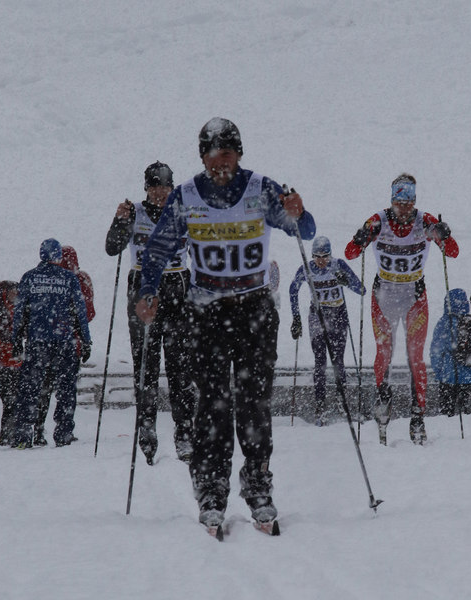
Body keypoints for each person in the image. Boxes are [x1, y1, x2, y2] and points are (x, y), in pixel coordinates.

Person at [136, 117, 316, 535]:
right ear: (202, 158)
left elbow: (304, 230)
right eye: (213, 157)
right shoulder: (186, 196)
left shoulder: (261, 189)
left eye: (228, 156)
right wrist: (147, 290)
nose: (220, 165)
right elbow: (158, 248)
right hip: (207, 313)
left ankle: (257, 485)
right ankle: (211, 489)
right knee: (213, 405)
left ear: (239, 155)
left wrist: (299, 211)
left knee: (254, 403)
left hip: (254, 310)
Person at [344, 173, 457, 445]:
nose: (403, 209)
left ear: (414, 201)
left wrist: (445, 234)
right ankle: (384, 399)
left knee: (415, 356)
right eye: (399, 203)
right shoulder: (377, 221)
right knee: (384, 352)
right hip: (384, 297)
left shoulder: (425, 221)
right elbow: (349, 254)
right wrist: (359, 239)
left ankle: (418, 416)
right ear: (392, 200)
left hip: (414, 297)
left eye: (408, 203)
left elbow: (452, 252)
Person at [105, 161, 196, 465]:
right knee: (145, 366)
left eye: (165, 186)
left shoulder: (182, 212)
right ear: (146, 188)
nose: (160, 192)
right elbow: (112, 248)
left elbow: (203, 249)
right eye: (155, 186)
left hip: (177, 286)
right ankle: (146, 431)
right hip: (143, 287)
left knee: (180, 366)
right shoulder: (135, 212)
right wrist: (120, 222)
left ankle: (185, 432)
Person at [11, 239, 91, 448]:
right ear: (58, 256)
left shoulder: (29, 277)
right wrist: (86, 340)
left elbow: (19, 311)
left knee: (30, 389)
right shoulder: (69, 278)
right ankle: (63, 433)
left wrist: (16, 338)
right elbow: (80, 312)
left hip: (37, 341)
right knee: (66, 389)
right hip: (64, 341)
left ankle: (23, 434)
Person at [289, 235, 365, 425]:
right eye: (317, 256)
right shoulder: (307, 268)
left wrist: (346, 281)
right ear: (312, 255)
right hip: (318, 316)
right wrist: (296, 317)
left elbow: (361, 289)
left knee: (338, 361)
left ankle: (342, 402)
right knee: (320, 361)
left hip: (338, 316)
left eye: (325, 256)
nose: (321, 261)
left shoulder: (338, 265)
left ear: (330, 255)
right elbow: (293, 289)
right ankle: (320, 405)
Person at [33, 245, 95, 446]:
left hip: (43, 342)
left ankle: (37, 430)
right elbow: (88, 313)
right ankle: (63, 430)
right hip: (70, 343)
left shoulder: (42, 278)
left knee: (42, 388)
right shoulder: (80, 279)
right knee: (66, 390)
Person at [430, 289, 471, 417]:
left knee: (447, 416)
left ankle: (449, 428)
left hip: (449, 377)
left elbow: (436, 352)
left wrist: (439, 373)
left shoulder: (444, 323)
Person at [0, 280, 21, 446]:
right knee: (10, 400)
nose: (16, 293)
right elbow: (2, 334)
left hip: (11, 361)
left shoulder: (15, 309)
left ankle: (9, 435)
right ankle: (7, 436)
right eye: (12, 290)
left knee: (12, 400)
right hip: (0, 361)